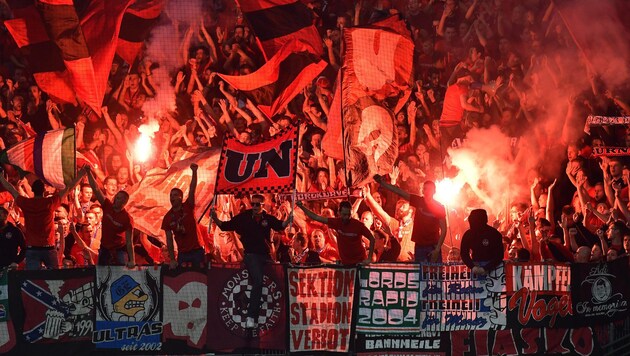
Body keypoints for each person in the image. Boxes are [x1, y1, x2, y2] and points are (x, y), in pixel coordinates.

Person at [210, 193, 293, 329]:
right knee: (258, 281)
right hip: (251, 255)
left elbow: (280, 225)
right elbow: (226, 226)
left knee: (279, 278)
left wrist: (288, 219)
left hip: (266, 255)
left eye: (257, 204)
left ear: (262, 205)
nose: (254, 207)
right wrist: (214, 218)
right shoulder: (244, 217)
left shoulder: (267, 218)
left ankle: (284, 313)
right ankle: (251, 317)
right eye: (252, 204)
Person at [0, 169, 86, 270]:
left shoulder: (27, 203)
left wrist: (1, 177)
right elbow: (68, 188)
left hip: (32, 249)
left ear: (32, 190)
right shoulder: (50, 202)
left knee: (33, 280)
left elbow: (11, 190)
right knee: (53, 279)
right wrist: (80, 175)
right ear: (44, 190)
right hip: (48, 248)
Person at [373, 176, 447, 262]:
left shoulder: (439, 207)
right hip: (420, 246)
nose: (427, 191)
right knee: (421, 273)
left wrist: (437, 249)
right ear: (423, 191)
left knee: (435, 273)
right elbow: (400, 192)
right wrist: (383, 183)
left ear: (434, 191)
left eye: (430, 189)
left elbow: (444, 229)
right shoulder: (419, 201)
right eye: (425, 189)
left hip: (433, 246)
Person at [296, 200, 375, 265]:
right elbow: (316, 217)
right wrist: (302, 207)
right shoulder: (336, 222)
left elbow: (372, 238)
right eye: (344, 215)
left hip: (359, 262)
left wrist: (369, 258)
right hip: (346, 263)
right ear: (339, 213)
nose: (347, 217)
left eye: (349, 215)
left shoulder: (358, 225)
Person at [86, 166, 134, 267]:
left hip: (119, 250)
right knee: (102, 275)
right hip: (104, 248)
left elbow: (129, 242)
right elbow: (95, 188)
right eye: (117, 197)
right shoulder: (107, 205)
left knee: (120, 274)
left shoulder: (127, 219)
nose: (117, 199)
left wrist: (132, 260)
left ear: (125, 202)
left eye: (121, 199)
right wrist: (88, 172)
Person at [162, 163, 205, 268]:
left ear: (181, 197)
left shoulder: (188, 206)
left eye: (175, 195)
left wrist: (194, 172)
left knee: (200, 279)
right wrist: (172, 259)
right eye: (171, 195)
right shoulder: (167, 217)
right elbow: (169, 240)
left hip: (197, 251)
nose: (172, 197)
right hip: (182, 254)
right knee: (184, 280)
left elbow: (192, 188)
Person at [459, 209, 504, 275]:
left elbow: (499, 255)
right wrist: (472, 267)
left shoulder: (494, 234)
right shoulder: (468, 234)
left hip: (493, 268)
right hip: (476, 267)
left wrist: (487, 268)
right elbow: (464, 253)